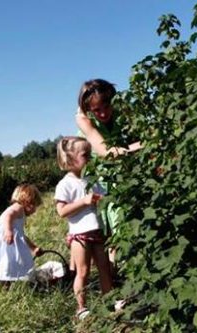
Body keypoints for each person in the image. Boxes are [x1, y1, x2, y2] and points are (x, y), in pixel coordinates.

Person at [76, 78, 141, 268]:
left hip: (125, 173)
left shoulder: (122, 109)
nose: (103, 113)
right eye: (97, 110)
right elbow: (107, 152)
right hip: (103, 179)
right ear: (89, 109)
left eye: (106, 106)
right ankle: (119, 278)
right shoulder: (83, 118)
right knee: (116, 228)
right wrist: (147, 144)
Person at [55, 136, 113, 320]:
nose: (89, 158)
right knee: (83, 271)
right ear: (69, 159)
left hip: (96, 230)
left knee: (105, 266)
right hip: (79, 236)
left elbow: (102, 197)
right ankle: (81, 307)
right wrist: (84, 201)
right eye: (85, 155)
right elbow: (62, 211)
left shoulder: (91, 179)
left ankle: (109, 301)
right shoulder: (65, 184)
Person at [0, 184, 43, 283]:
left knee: (6, 262)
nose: (34, 210)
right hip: (4, 239)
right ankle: (7, 281)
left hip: (7, 238)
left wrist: (33, 247)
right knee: (8, 260)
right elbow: (8, 215)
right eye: (34, 206)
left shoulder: (20, 211)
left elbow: (21, 235)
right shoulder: (18, 208)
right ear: (27, 202)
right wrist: (8, 231)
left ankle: (6, 282)